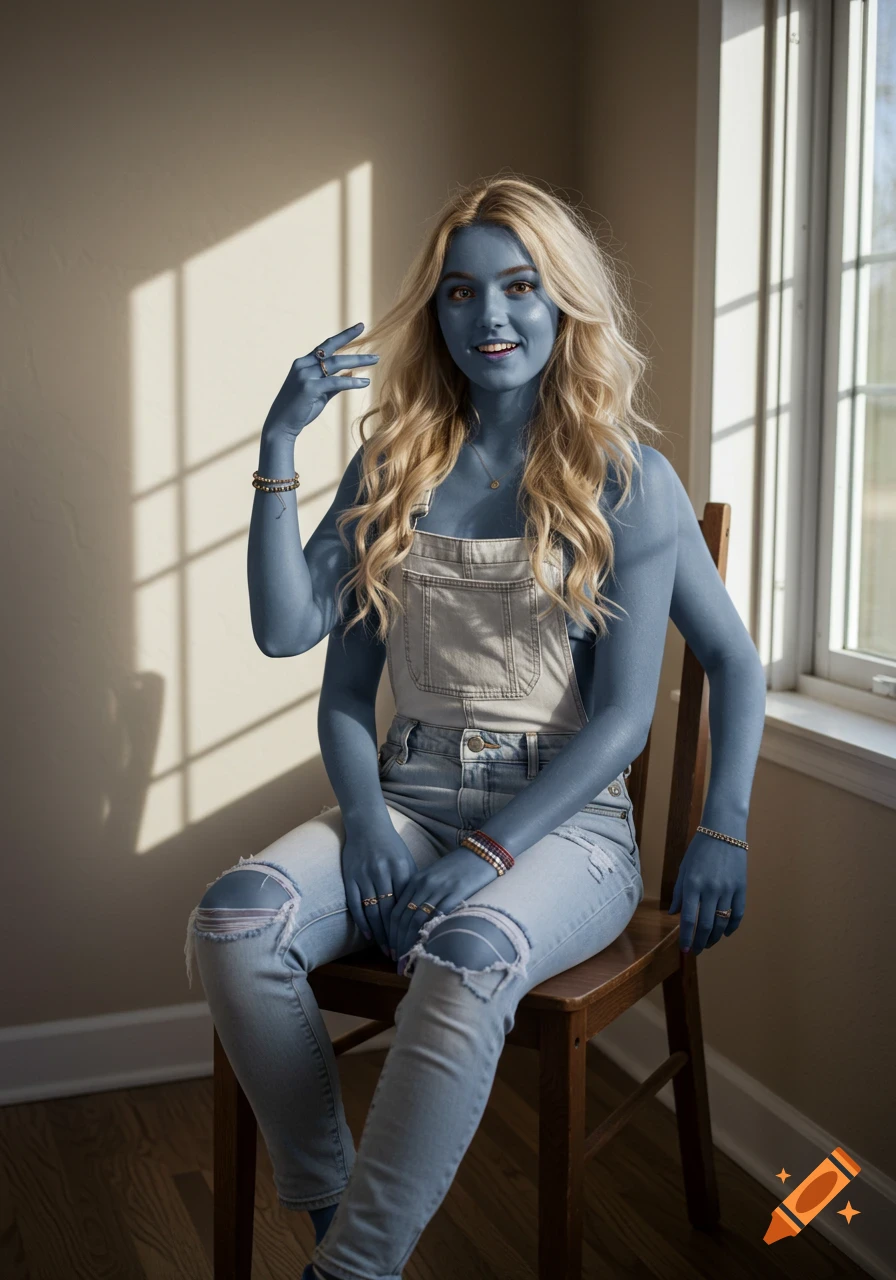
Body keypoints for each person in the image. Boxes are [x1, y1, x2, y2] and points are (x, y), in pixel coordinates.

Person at [184, 175, 766, 1280]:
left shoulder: (626, 480)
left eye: (518, 288)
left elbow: (624, 721)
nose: (488, 316)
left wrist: (718, 826)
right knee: (232, 924)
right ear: (436, 309)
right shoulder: (391, 466)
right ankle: (341, 1224)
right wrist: (280, 441)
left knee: (463, 954)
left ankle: (348, 1270)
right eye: (460, 292)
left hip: (564, 826)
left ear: (561, 304)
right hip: (406, 795)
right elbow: (294, 641)